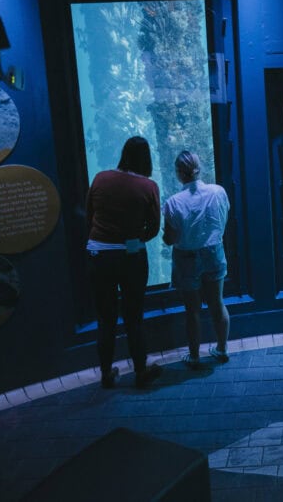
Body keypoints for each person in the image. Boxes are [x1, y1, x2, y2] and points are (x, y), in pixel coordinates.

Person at [86, 136, 163, 389]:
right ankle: (141, 371)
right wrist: (133, 237)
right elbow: (153, 228)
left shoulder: (100, 178)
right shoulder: (148, 186)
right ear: (146, 158)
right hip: (131, 255)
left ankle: (106, 374)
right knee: (134, 317)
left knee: (105, 318)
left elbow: (90, 215)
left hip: (99, 254)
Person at [163, 150, 231, 369]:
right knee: (217, 303)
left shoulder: (173, 203)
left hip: (187, 257)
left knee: (192, 310)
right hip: (214, 251)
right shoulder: (218, 192)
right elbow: (224, 219)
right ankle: (221, 349)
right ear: (198, 168)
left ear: (179, 174)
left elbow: (170, 238)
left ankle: (194, 356)